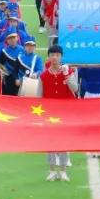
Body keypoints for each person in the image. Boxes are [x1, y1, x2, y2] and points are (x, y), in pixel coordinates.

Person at [38, 45, 77, 181]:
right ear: (48, 57)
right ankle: (52, 170)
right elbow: (39, 96)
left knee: (64, 141)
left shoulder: (69, 71)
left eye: (57, 55)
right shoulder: (43, 76)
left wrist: (67, 76)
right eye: (52, 55)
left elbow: (75, 89)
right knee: (50, 141)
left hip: (66, 112)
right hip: (49, 113)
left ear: (61, 57)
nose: (55, 57)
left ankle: (63, 170)